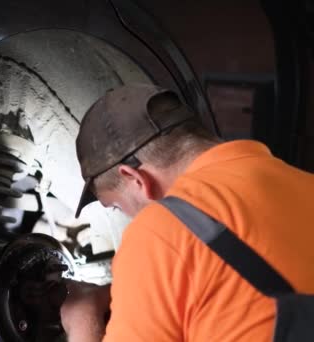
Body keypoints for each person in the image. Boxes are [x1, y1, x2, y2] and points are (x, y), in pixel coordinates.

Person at [61, 83, 314, 341]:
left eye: (117, 206)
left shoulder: (159, 234)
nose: (127, 217)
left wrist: (83, 320)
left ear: (135, 178)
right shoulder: (306, 184)